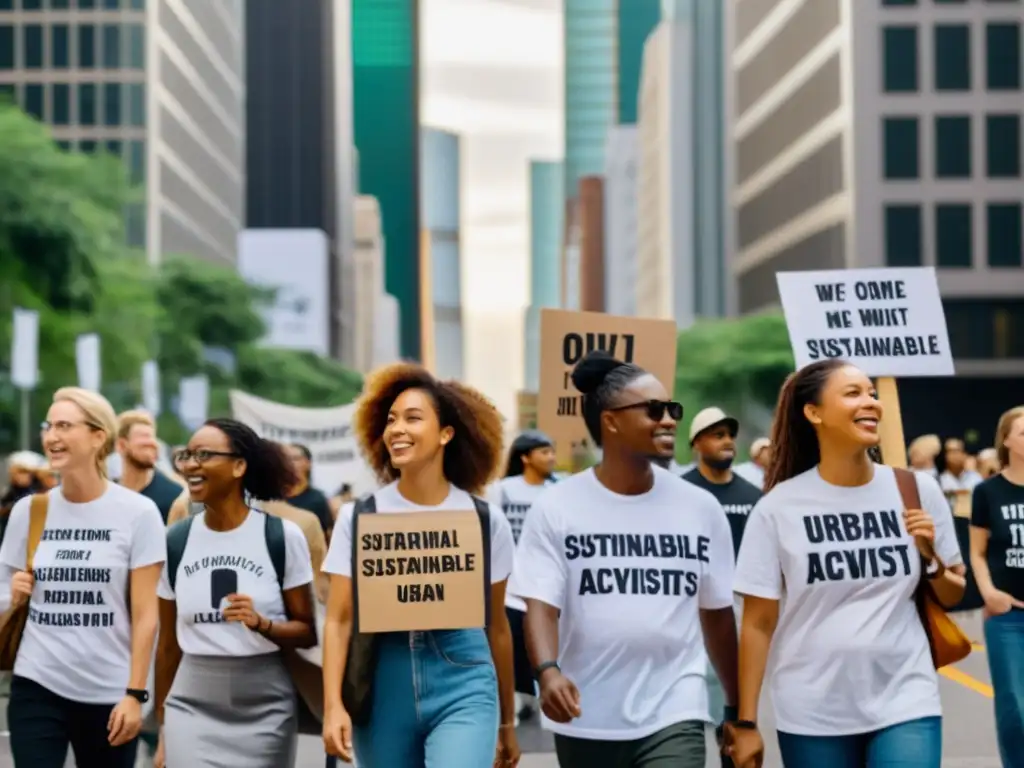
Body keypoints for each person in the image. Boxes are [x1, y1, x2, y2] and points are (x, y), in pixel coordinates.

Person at [728, 359, 966, 768]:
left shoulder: (915, 490)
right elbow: (757, 623)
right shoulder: (778, 509)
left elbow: (951, 595)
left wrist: (930, 558)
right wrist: (745, 722)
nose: (871, 402)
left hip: (906, 697)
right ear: (813, 412)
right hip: (811, 709)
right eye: (853, 393)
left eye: (872, 393)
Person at [511, 351, 738, 768]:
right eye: (653, 410)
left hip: (675, 708)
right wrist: (547, 671)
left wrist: (738, 711)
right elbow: (540, 606)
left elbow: (718, 616)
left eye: (671, 409)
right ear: (611, 420)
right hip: (585, 714)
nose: (668, 420)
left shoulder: (701, 509)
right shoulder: (557, 507)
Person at [321, 362, 519, 767]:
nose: (397, 430)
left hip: (463, 675)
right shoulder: (358, 518)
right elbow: (339, 620)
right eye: (391, 420)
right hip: (382, 680)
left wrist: (507, 722)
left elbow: (497, 625)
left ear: (447, 433)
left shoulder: (484, 521)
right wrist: (332, 706)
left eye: (413, 418)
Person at [0, 387, 166, 768]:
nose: (52, 436)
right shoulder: (30, 511)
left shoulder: (138, 513)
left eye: (64, 426)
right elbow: (2, 596)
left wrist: (136, 694)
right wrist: (13, 593)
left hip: (110, 692)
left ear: (98, 437)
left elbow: (146, 616)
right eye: (48, 425)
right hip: (36, 683)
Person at [154, 418, 317, 768]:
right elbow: (167, 646)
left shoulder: (282, 537)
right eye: (187, 455)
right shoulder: (174, 541)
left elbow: (306, 631)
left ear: (239, 466)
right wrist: (163, 729)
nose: (191, 465)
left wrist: (263, 624)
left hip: (265, 701)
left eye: (205, 455)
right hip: (191, 701)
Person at [969, 405, 1024, 765]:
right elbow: (977, 552)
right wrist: (988, 592)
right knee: (1015, 710)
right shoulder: (987, 492)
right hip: (1008, 616)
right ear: (1006, 441)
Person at [498, 430, 558, 725]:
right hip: (510, 587)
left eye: (552, 452)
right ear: (525, 457)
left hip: (546, 586)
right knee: (512, 646)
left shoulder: (558, 489)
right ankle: (514, 699)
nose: (551, 458)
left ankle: (542, 695)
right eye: (544, 452)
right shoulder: (504, 490)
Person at [682, 407, 762, 557]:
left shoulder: (753, 497)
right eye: (719, 436)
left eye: (731, 436)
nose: (728, 441)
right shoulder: (680, 493)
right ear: (697, 443)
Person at [116, 410, 183, 523]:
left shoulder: (174, 497)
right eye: (143, 436)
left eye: (152, 436)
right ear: (121, 445)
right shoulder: (109, 495)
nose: (151, 442)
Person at [284, 444, 334, 537]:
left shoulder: (317, 500)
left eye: (295, 458)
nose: (289, 463)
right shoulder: (274, 499)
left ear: (308, 463)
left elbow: (326, 536)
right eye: (286, 459)